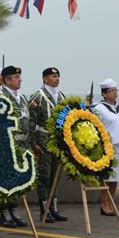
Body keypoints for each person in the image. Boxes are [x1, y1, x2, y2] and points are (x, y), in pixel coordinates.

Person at [29, 67, 68, 223]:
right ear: (45, 79)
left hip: (57, 141)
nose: (57, 79)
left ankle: (53, 208)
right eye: (53, 76)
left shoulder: (62, 96)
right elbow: (31, 123)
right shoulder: (37, 97)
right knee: (44, 176)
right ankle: (44, 209)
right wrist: (33, 143)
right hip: (43, 140)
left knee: (55, 176)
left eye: (58, 76)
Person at [0, 65, 29, 228]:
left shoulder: (22, 98)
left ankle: (14, 209)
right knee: (6, 180)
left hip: (22, 145)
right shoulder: (0, 97)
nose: (20, 79)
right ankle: (4, 212)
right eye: (16, 77)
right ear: (7, 80)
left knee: (18, 180)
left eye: (19, 76)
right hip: (8, 144)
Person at [94, 79, 119, 216]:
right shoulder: (99, 109)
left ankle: (111, 203)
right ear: (104, 94)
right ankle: (104, 204)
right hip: (106, 147)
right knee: (106, 177)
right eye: (111, 91)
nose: (115, 93)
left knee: (116, 177)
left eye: (116, 90)